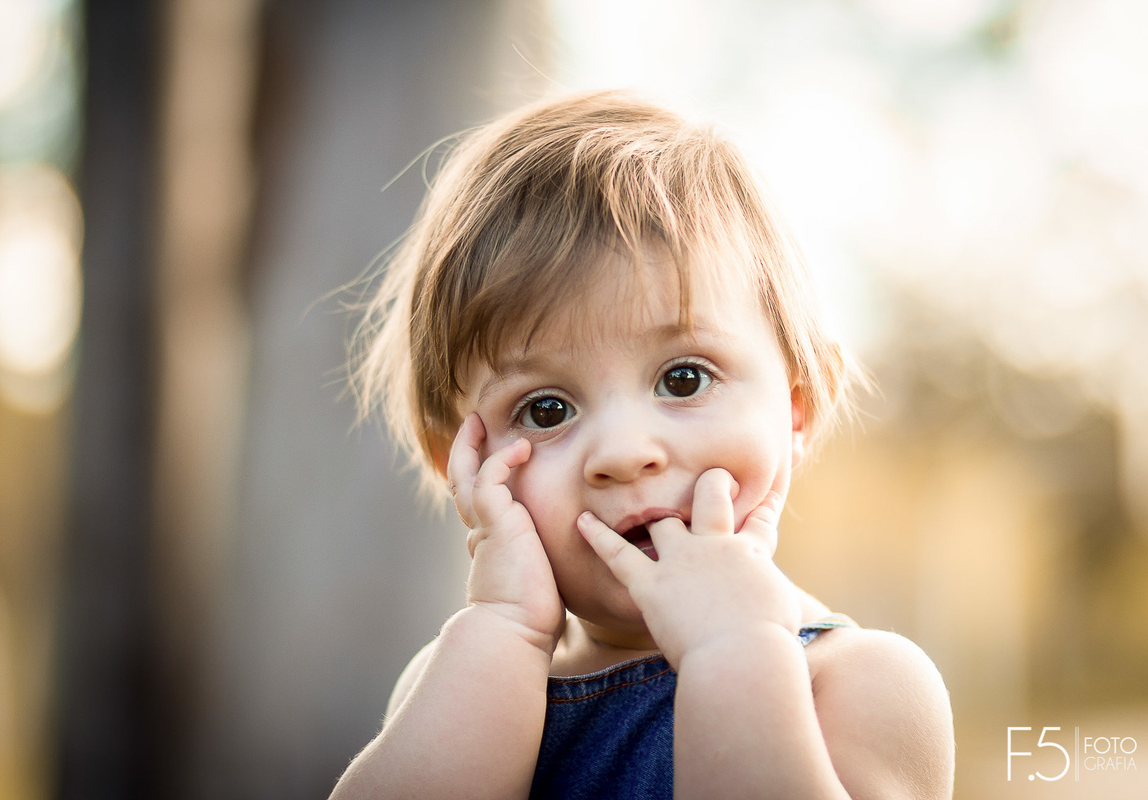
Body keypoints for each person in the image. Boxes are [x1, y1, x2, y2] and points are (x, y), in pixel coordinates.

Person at [333, 90, 954, 799]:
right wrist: (503, 629)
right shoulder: (456, 686)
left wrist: (734, 653)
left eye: (684, 378)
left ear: (796, 406)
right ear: (463, 467)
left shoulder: (860, 683)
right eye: (546, 409)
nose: (625, 453)